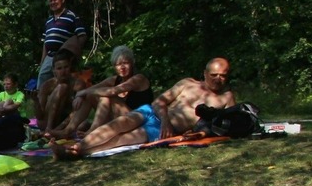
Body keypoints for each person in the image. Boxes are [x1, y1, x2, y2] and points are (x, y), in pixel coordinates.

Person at [55, 57, 234, 158]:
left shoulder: (226, 98)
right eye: (214, 75)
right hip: (152, 112)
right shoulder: (187, 83)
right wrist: (165, 120)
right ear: (205, 73)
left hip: (161, 128)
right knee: (116, 126)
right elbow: (159, 101)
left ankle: (76, 152)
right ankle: (79, 146)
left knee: (124, 139)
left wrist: (197, 131)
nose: (218, 79)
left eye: (223, 76)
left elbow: (229, 126)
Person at [51, 46, 150, 140]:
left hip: (138, 120)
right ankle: (67, 131)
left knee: (106, 96)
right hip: (120, 119)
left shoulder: (138, 78)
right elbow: (92, 89)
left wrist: (83, 92)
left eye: (125, 63)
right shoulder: (114, 80)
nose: (122, 67)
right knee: (90, 96)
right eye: (118, 64)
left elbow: (113, 91)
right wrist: (82, 95)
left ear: (132, 63)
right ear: (114, 66)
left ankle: (92, 131)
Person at [37, 0, 88, 88]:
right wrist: (42, 61)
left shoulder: (72, 17)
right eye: (50, 1)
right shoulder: (49, 21)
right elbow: (46, 43)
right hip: (50, 57)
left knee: (64, 82)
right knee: (43, 79)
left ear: (62, 0)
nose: (53, 3)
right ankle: (41, 97)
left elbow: (82, 36)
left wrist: (73, 55)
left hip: (64, 57)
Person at [35, 51, 81, 136]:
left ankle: (53, 131)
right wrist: (36, 102)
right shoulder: (47, 85)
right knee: (62, 87)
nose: (63, 71)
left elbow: (78, 111)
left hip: (66, 122)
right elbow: (39, 117)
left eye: (66, 67)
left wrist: (59, 128)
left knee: (84, 124)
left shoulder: (78, 84)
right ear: (54, 71)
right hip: (46, 122)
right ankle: (49, 129)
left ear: (70, 67)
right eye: (59, 68)